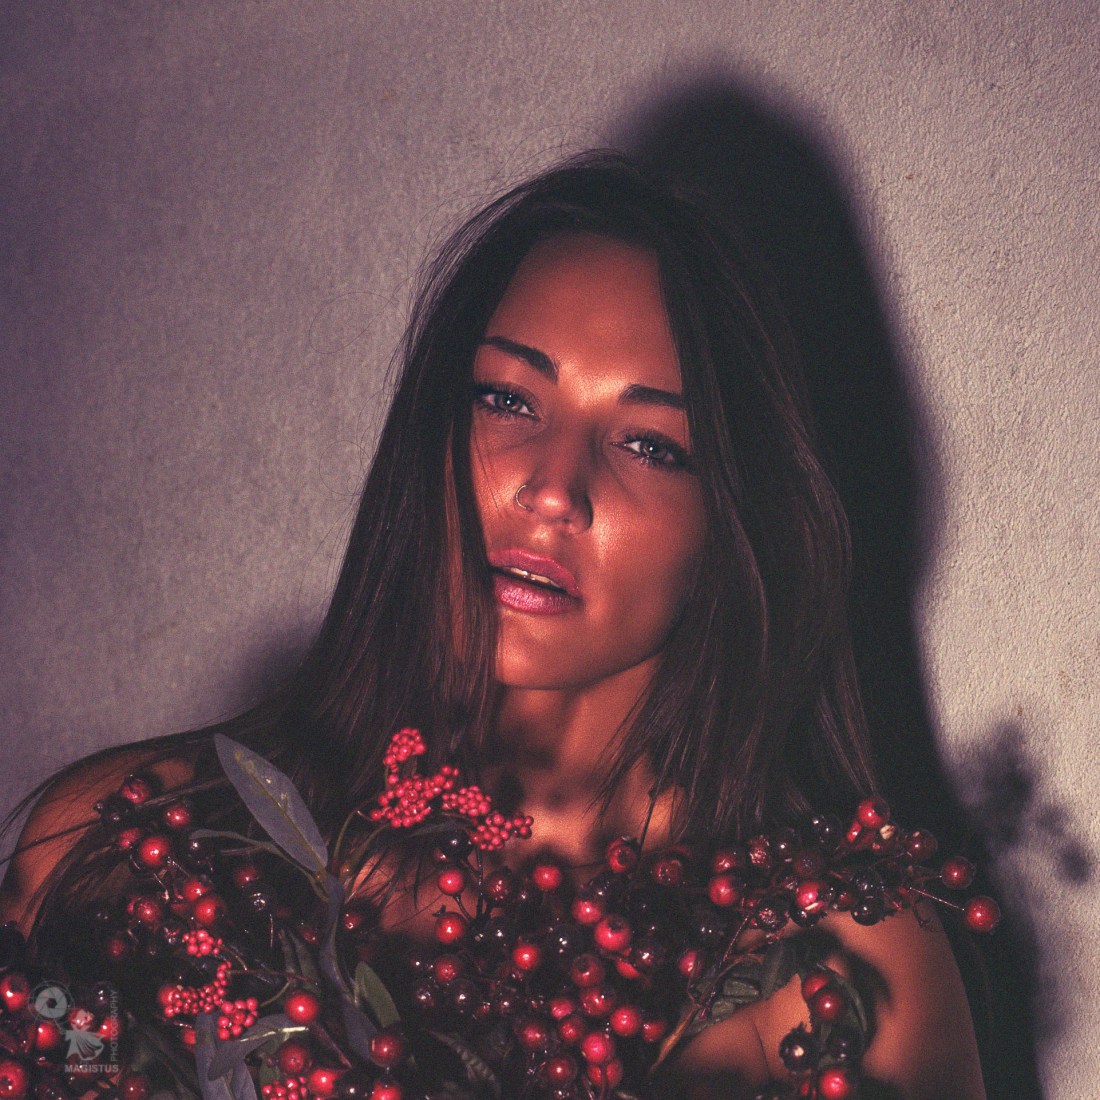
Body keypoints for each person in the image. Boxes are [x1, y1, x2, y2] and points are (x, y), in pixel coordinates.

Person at [0, 153, 985, 1098]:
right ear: (431, 428)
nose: (550, 487)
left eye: (649, 442)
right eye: (506, 397)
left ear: (738, 521)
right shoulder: (120, 848)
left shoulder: (837, 959)